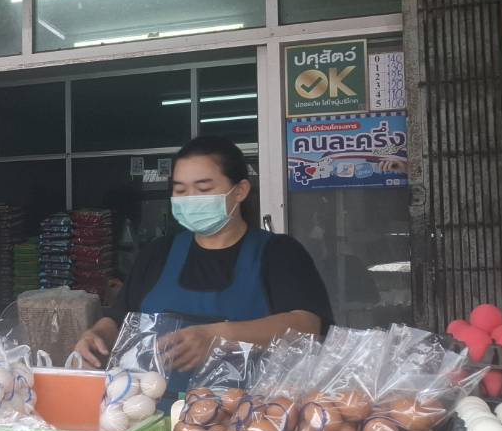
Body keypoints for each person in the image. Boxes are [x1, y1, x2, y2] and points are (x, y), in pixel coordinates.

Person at [74, 136, 332, 395]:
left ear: (240, 191)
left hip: (248, 411)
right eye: (180, 190)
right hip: (153, 411)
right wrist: (98, 335)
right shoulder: (158, 253)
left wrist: (219, 335)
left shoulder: (278, 253)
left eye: (204, 189)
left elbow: (308, 325)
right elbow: (120, 317)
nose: (190, 199)